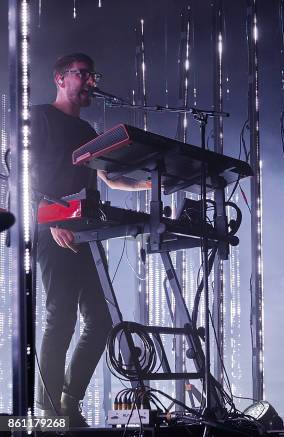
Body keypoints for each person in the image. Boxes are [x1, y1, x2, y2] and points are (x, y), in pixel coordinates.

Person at [31, 53, 150, 427]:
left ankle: (68, 401)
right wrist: (50, 220)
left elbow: (108, 178)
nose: (90, 82)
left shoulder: (86, 134)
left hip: (85, 229)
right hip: (52, 225)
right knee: (60, 319)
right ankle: (46, 410)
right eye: (82, 74)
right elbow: (24, 173)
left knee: (100, 320)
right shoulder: (39, 118)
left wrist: (150, 182)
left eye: (92, 75)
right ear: (59, 78)